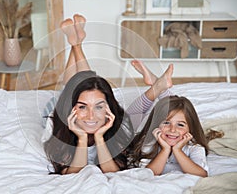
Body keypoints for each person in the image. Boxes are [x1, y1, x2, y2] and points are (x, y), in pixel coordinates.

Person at [43, 14, 174, 175]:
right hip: (58, 108)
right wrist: (82, 138)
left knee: (91, 89)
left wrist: (99, 137)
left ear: (107, 106)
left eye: (99, 106)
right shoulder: (55, 128)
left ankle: (76, 44)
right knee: (71, 87)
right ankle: (76, 45)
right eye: (82, 107)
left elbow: (113, 172)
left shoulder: (117, 124)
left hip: (108, 117)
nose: (91, 116)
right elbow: (71, 174)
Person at [128, 95, 210, 177]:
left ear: (190, 128)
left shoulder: (194, 147)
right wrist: (165, 150)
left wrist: (177, 150)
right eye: (166, 123)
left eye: (180, 125)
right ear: (156, 125)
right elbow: (148, 174)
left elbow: (201, 174)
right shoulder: (149, 143)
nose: (172, 129)